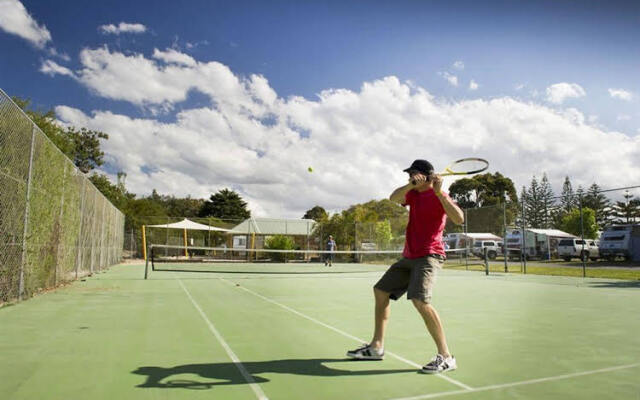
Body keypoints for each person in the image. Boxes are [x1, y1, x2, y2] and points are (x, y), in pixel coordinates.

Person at [346, 159, 464, 374]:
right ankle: (376, 347)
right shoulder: (412, 194)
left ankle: (446, 357)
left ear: (426, 176)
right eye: (409, 175)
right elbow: (393, 198)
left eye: (414, 174)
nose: (410, 177)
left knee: (420, 300)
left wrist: (439, 192)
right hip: (409, 256)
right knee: (381, 290)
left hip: (430, 255)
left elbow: (459, 218)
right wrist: (411, 185)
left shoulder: (440, 196)